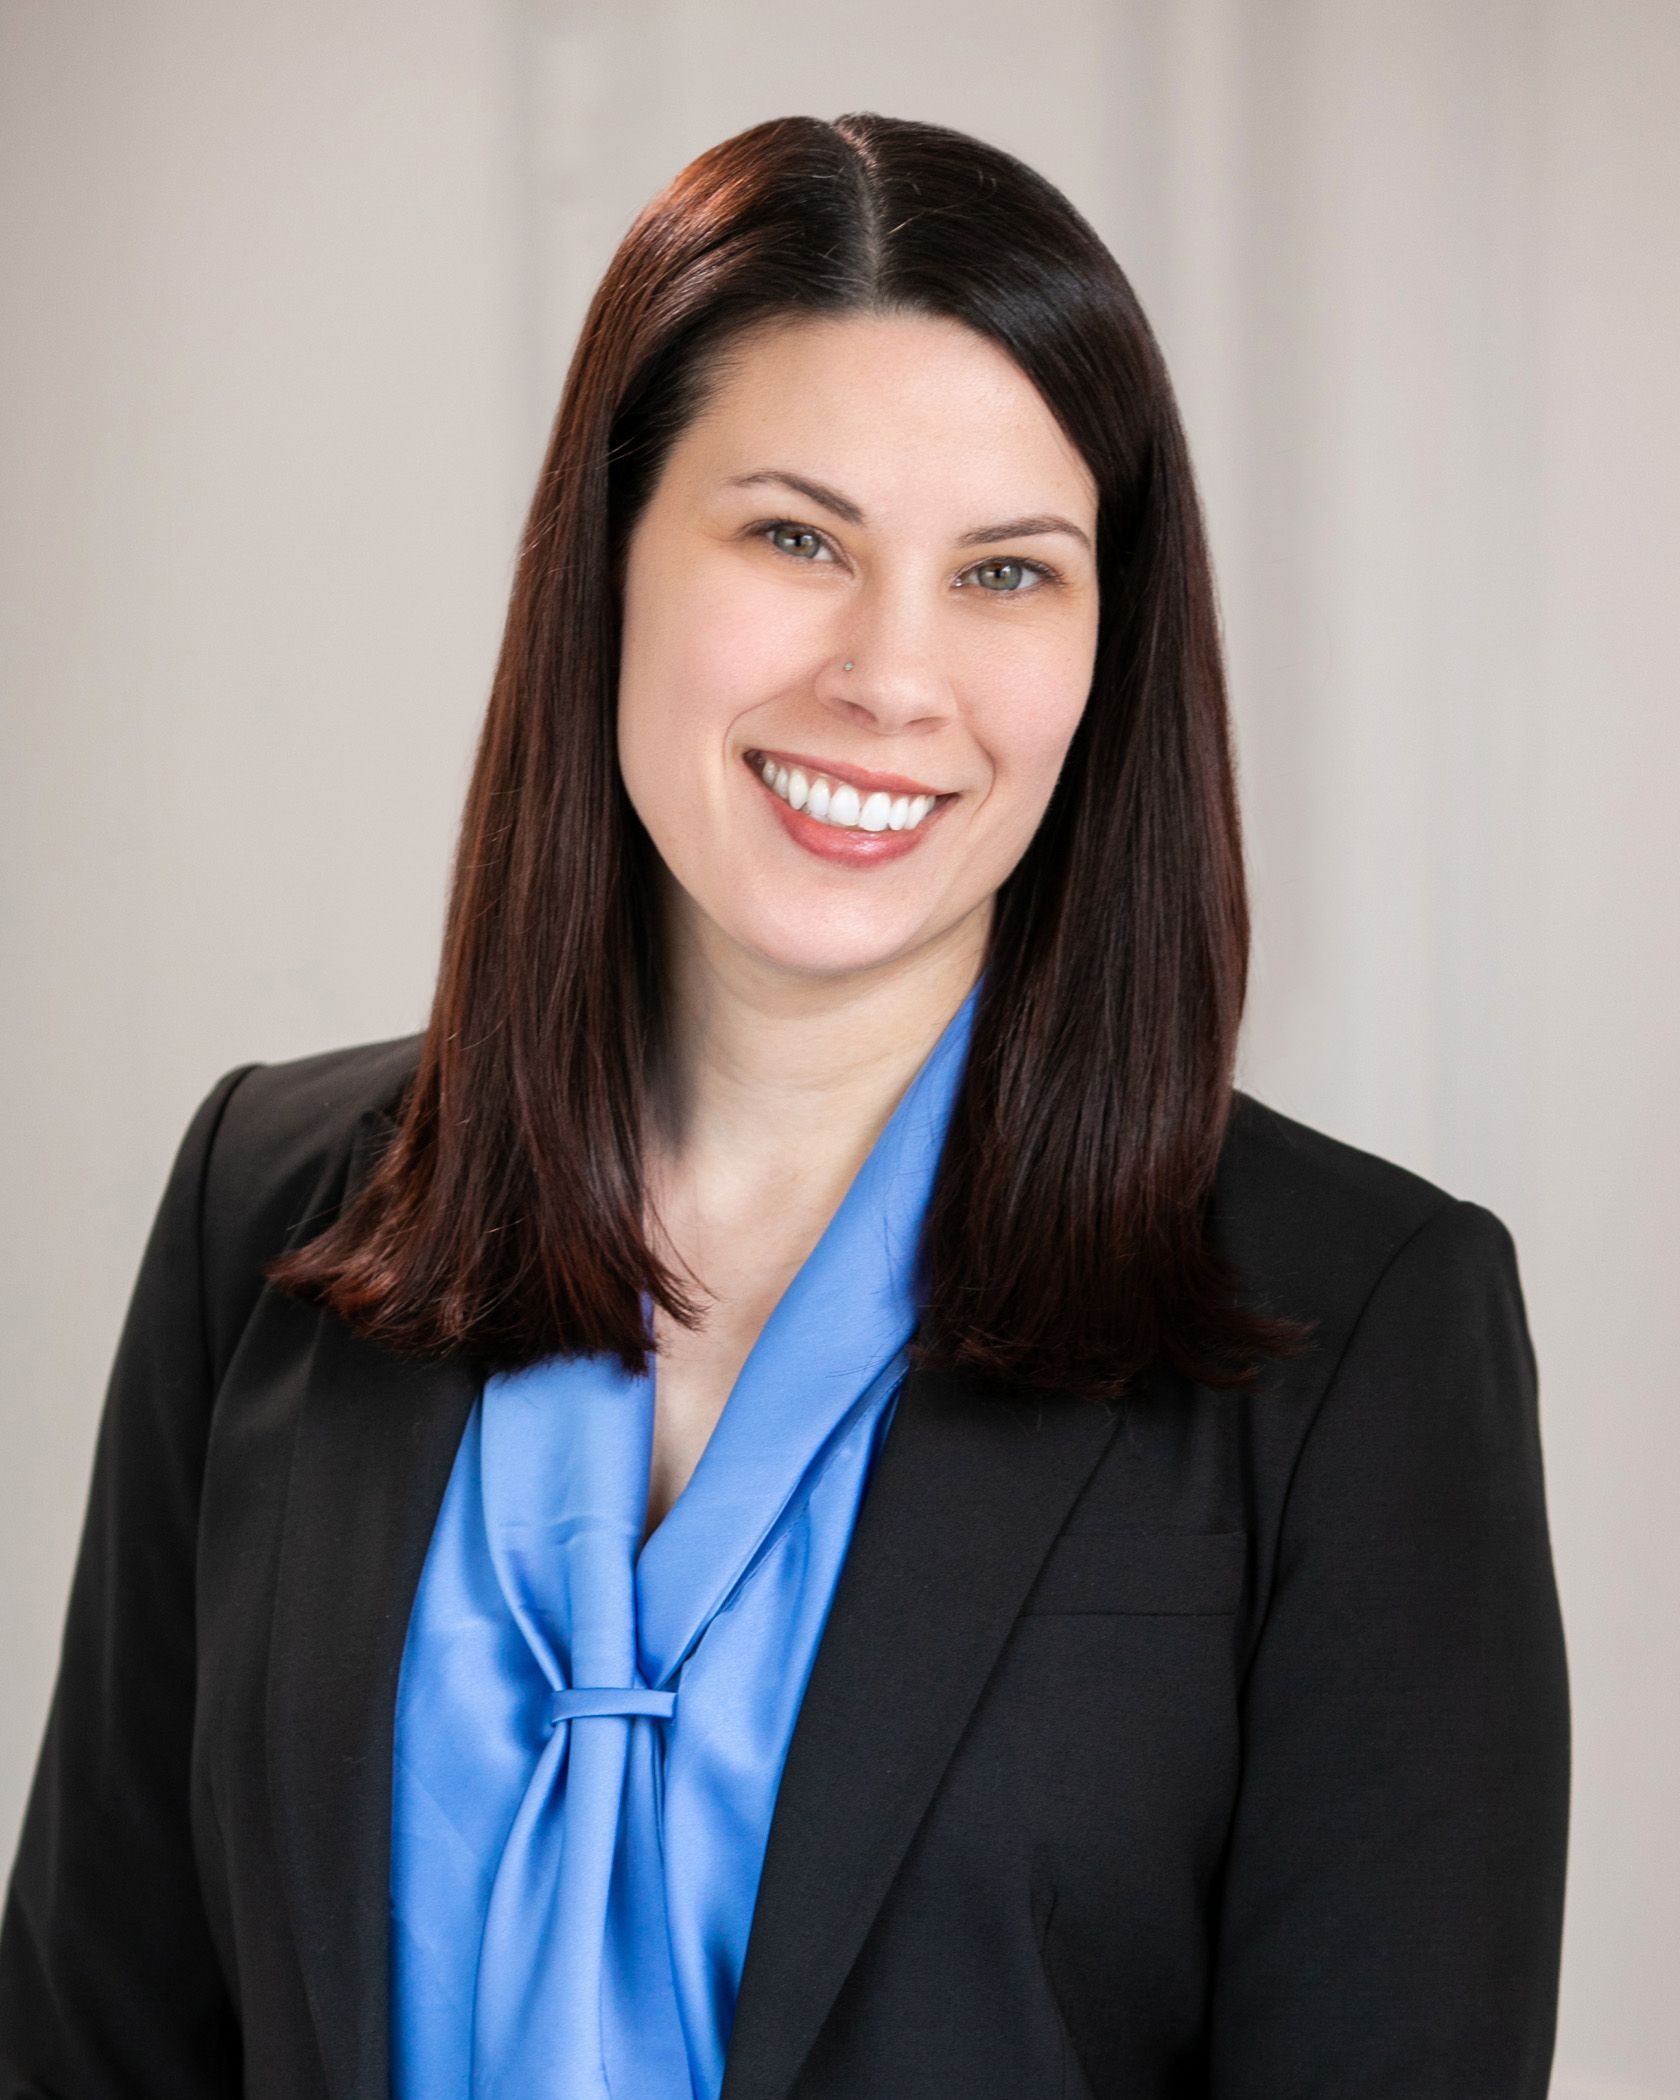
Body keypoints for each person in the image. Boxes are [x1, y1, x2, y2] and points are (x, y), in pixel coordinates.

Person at [0, 110, 1569, 2100]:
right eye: (797, 536)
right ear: (611, 556)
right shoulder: (269, 1212)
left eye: (1007, 573)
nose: (893, 676)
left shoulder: (1359, 1336)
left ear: (1107, 651)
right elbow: (97, 2045)